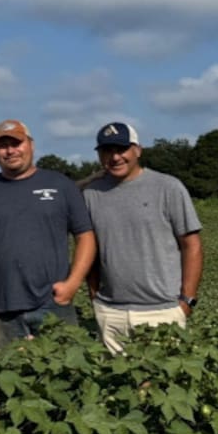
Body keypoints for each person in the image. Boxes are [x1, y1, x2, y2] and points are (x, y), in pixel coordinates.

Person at [0, 120, 96, 346]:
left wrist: (73, 284)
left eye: (17, 143)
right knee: (6, 374)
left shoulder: (60, 185)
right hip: (1, 309)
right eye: (3, 146)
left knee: (63, 373)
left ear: (30, 145)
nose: (10, 151)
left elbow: (85, 236)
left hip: (52, 303)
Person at [83, 122, 203, 354]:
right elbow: (89, 249)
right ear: (99, 154)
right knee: (118, 385)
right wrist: (95, 297)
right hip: (111, 312)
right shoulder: (91, 195)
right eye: (107, 151)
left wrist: (186, 301)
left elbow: (192, 245)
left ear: (137, 150)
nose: (115, 157)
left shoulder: (168, 187)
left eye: (122, 149)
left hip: (162, 310)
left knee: (158, 386)